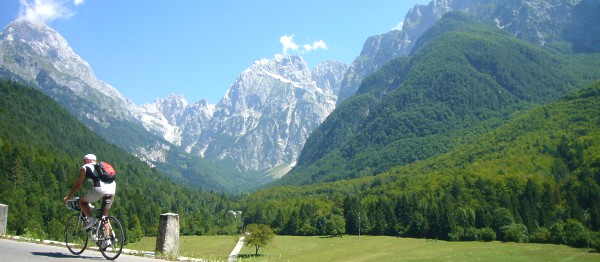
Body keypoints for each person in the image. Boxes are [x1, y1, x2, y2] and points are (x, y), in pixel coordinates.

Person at [63, 154, 116, 247]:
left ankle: (91, 220)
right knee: (104, 215)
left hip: (100, 189)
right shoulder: (101, 168)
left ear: (87, 160)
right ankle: (107, 240)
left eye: (84, 160)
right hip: (112, 189)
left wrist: (68, 197)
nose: (83, 162)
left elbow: (77, 185)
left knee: (82, 201)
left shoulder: (85, 167)